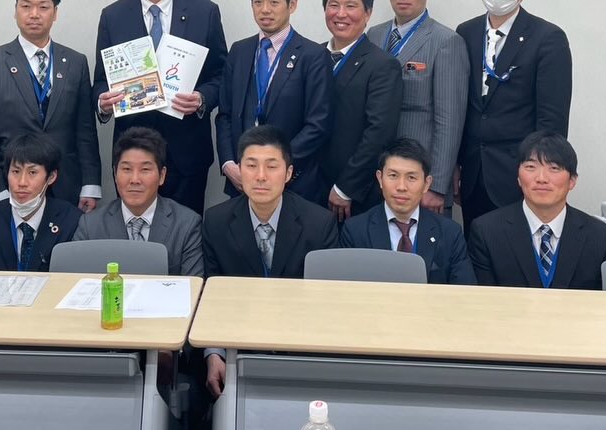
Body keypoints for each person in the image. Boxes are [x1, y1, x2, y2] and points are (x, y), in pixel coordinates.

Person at [92, 0, 228, 216]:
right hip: (132, 152)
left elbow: (221, 74)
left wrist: (202, 99)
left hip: (187, 150)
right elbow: (100, 81)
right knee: (134, 231)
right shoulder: (113, 16)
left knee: (186, 230)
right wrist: (103, 103)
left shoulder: (204, 12)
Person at [202, 125, 338, 398]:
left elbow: (325, 303)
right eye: (251, 166)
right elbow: (210, 297)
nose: (261, 176)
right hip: (237, 346)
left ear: (288, 173)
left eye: (272, 166)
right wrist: (214, 354)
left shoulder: (319, 224)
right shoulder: (216, 222)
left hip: (299, 347)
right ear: (239, 169)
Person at [456, 0, 572, 233]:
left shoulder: (547, 37)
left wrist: (539, 172)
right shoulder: (466, 33)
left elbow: (552, 120)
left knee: (515, 250)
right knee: (477, 247)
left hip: (519, 175)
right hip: (472, 173)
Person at [0, 0, 101, 210]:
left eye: (43, 7)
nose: (34, 14)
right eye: (26, 6)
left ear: (55, 13)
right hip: (11, 185)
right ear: (15, 11)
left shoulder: (75, 62)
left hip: (66, 184)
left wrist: (90, 184)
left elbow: (85, 130)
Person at [215, 0, 333, 202]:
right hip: (241, 179)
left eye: (274, 2)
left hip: (293, 182)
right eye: (258, 2)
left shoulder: (313, 55)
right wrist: (228, 163)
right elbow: (225, 114)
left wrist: (277, 166)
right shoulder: (239, 51)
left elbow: (318, 124)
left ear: (292, 4)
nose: (265, 10)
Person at [366, 0, 468, 216]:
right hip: (377, 172)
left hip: (419, 176)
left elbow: (450, 121)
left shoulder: (446, 41)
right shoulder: (374, 35)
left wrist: (437, 185)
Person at [468, 132, 606, 290]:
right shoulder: (487, 232)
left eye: (554, 168)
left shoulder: (602, 238)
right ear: (518, 177)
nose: (541, 178)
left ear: (572, 181)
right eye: (531, 167)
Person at [320, 0, 402, 218]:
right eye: (334, 5)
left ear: (367, 13)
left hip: (353, 194)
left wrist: (346, 187)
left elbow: (379, 133)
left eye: (351, 6)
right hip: (308, 186)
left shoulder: (382, 65)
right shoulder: (312, 56)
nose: (341, 14)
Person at [340, 138, 475, 284]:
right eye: (393, 176)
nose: (401, 187)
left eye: (411, 177)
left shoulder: (449, 233)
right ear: (380, 178)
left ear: (426, 184)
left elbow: (465, 291)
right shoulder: (355, 231)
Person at [74, 127, 204, 276]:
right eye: (127, 169)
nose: (135, 180)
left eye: (145, 170)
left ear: (162, 176)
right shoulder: (90, 225)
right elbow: (74, 281)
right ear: (115, 174)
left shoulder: (186, 224)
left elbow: (194, 285)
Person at [0, 133, 81, 271]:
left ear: (51, 177)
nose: (22, 182)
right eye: (16, 171)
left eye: (32, 172)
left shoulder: (71, 220)